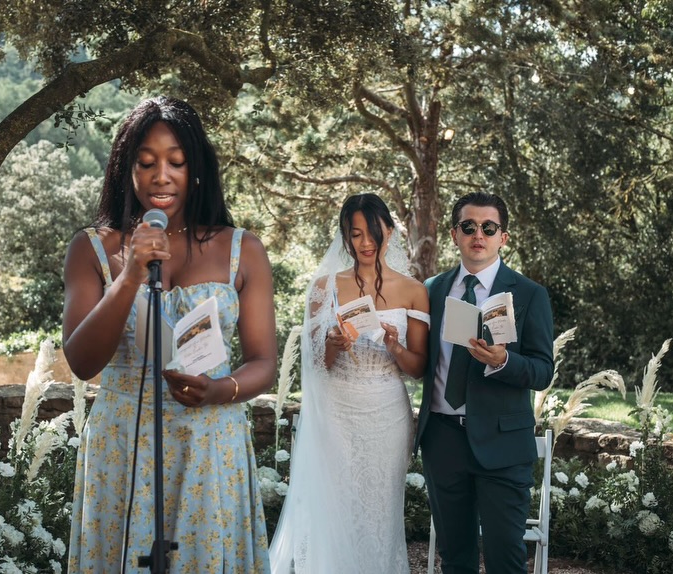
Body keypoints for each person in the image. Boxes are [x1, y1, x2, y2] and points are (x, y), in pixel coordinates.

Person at [63, 96, 277, 573]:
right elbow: (81, 361)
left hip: (209, 443)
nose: (161, 175)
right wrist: (131, 275)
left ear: (195, 169)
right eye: (146, 162)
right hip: (124, 443)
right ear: (128, 171)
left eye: (176, 162)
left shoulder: (243, 250)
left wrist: (221, 389)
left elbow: (264, 361)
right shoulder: (93, 250)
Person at [269, 193, 430, 573]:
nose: (366, 242)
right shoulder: (325, 287)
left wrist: (394, 345)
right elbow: (314, 366)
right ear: (345, 237)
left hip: (387, 413)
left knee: (380, 509)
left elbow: (419, 368)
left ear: (389, 230)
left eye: (373, 232)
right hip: (336, 413)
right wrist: (332, 345)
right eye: (355, 234)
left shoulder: (414, 290)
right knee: (334, 506)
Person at [413, 192, 554, 573]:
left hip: (503, 444)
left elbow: (543, 372)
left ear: (502, 237)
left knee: (505, 556)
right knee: (455, 556)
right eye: (469, 226)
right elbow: (421, 363)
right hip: (442, 439)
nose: (479, 234)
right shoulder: (431, 290)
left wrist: (504, 361)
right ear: (454, 233)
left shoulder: (529, 294)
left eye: (489, 228)